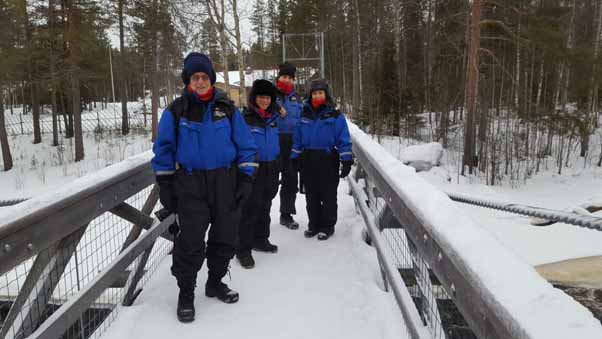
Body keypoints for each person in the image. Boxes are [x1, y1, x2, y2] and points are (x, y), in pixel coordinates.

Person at [151, 52, 258, 323]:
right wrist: (165, 183)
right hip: (191, 183)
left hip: (226, 181)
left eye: (204, 77)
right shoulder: (176, 110)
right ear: (188, 80)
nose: (200, 81)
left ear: (211, 79)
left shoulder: (228, 108)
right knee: (190, 240)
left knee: (225, 235)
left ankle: (215, 282)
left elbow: (245, 145)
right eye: (195, 77)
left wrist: (246, 178)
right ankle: (186, 292)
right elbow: (164, 148)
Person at [290, 79, 353, 241]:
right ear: (310, 95)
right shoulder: (303, 113)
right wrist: (294, 157)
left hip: (328, 159)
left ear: (326, 95)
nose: (317, 96)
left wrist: (346, 159)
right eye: (314, 93)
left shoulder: (335, 115)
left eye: (320, 93)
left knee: (328, 195)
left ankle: (328, 226)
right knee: (311, 195)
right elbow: (297, 137)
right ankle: (314, 224)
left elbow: (343, 138)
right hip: (308, 158)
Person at [237, 80, 282, 269]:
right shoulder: (244, 118)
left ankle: (261, 239)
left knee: (265, 205)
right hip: (252, 168)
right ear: (254, 98)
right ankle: (243, 249)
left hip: (271, 167)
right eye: (261, 97)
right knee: (249, 209)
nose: (264, 100)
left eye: (267, 97)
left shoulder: (273, 118)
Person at [274, 62, 303, 230]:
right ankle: (258, 216)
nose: (286, 80)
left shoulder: (297, 98)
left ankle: (286, 214)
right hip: (273, 143)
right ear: (279, 77)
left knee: (291, 181)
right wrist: (276, 106)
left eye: (290, 78)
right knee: (267, 183)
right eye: (284, 77)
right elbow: (254, 103)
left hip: (292, 143)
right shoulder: (269, 95)